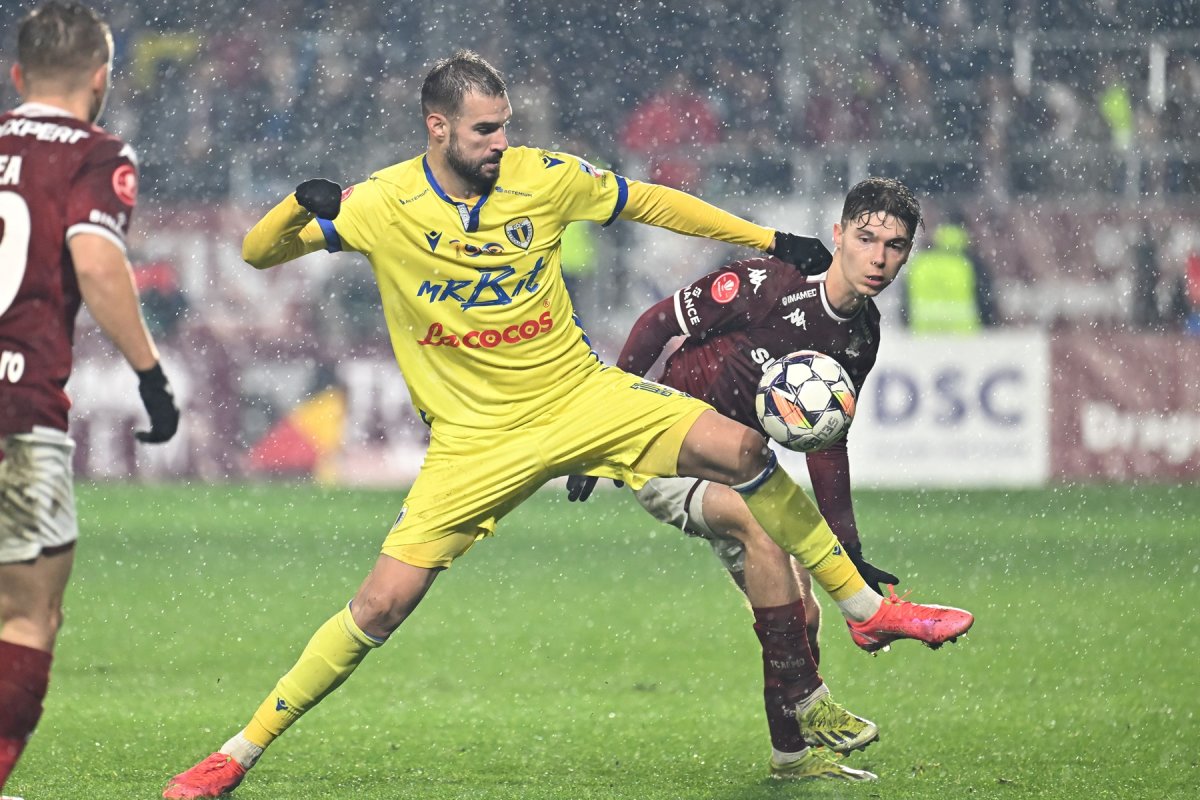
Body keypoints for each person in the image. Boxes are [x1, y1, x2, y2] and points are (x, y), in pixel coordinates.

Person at [163, 51, 972, 797]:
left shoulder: (541, 177)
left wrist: (768, 238)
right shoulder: (380, 203)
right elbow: (258, 252)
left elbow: (650, 201)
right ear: (437, 127)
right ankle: (237, 754)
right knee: (379, 607)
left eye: (505, 125)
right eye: (486, 129)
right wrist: (295, 206)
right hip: (475, 441)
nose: (501, 142)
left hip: (579, 396)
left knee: (743, 449)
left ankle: (866, 610)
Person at [568, 177, 952, 780]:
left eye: (895, 246)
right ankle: (810, 701)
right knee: (762, 532)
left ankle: (791, 758)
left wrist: (848, 552)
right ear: (838, 235)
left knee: (803, 618)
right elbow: (656, 323)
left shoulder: (861, 334)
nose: (878, 258)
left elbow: (826, 441)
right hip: (667, 450)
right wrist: (606, 426)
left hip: (742, 469)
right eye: (866, 239)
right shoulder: (769, 283)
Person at [0, 3, 181, 796]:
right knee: (26, 615)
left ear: (16, 75)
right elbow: (98, 263)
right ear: (102, 79)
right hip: (16, 408)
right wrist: (151, 376)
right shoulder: (95, 154)